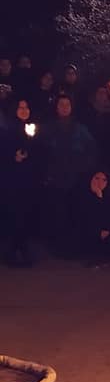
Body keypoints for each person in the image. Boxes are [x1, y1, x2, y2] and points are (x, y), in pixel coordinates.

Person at [40, 94, 97, 256]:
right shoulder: (48, 128)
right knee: (57, 213)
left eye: (67, 104)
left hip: (75, 178)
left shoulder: (80, 128)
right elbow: (42, 152)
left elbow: (91, 150)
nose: (64, 107)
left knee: (74, 212)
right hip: (55, 178)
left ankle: (73, 247)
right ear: (56, 107)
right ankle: (57, 246)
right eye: (61, 104)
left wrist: (83, 168)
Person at [1, 100, 40, 266]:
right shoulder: (7, 130)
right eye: (20, 107)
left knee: (26, 214)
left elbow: (40, 152)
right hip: (12, 180)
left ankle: (23, 247)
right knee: (14, 214)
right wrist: (14, 157)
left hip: (29, 180)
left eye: (26, 107)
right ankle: (12, 250)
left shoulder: (33, 128)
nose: (24, 110)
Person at [75, 170, 110, 267]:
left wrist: (106, 228)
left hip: (103, 230)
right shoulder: (82, 195)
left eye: (104, 180)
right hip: (85, 229)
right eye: (97, 178)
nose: (100, 182)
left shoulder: (109, 197)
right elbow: (86, 217)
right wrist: (98, 197)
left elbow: (109, 216)